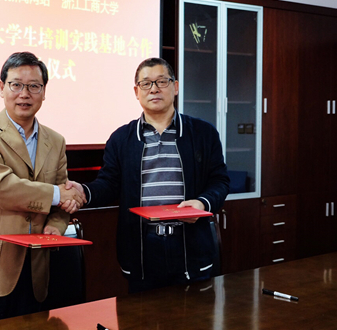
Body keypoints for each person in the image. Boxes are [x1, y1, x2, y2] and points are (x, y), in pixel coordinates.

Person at [67, 57, 229, 293]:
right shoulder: (121, 139)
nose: (154, 89)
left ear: (175, 86)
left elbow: (220, 181)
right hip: (142, 247)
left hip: (191, 243)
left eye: (161, 81)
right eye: (146, 83)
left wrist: (202, 204)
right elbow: (109, 185)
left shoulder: (203, 133)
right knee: (143, 315)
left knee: (197, 314)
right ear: (136, 91)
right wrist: (84, 191)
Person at [0, 51, 86, 326]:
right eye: (16, 85)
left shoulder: (56, 141)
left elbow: (61, 202)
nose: (24, 94)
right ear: (2, 87)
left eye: (34, 86)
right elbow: (2, 188)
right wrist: (61, 195)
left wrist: (56, 225)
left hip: (36, 269)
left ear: (44, 92)